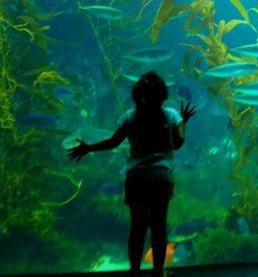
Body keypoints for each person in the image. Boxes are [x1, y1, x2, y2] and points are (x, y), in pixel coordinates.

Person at [68, 71, 196, 277]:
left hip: (136, 178)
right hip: (159, 177)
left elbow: (113, 142)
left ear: (136, 95)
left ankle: (134, 271)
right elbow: (179, 143)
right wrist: (184, 122)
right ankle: (157, 271)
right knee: (158, 227)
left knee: (137, 227)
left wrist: (88, 148)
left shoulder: (130, 116)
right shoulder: (171, 115)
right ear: (163, 95)